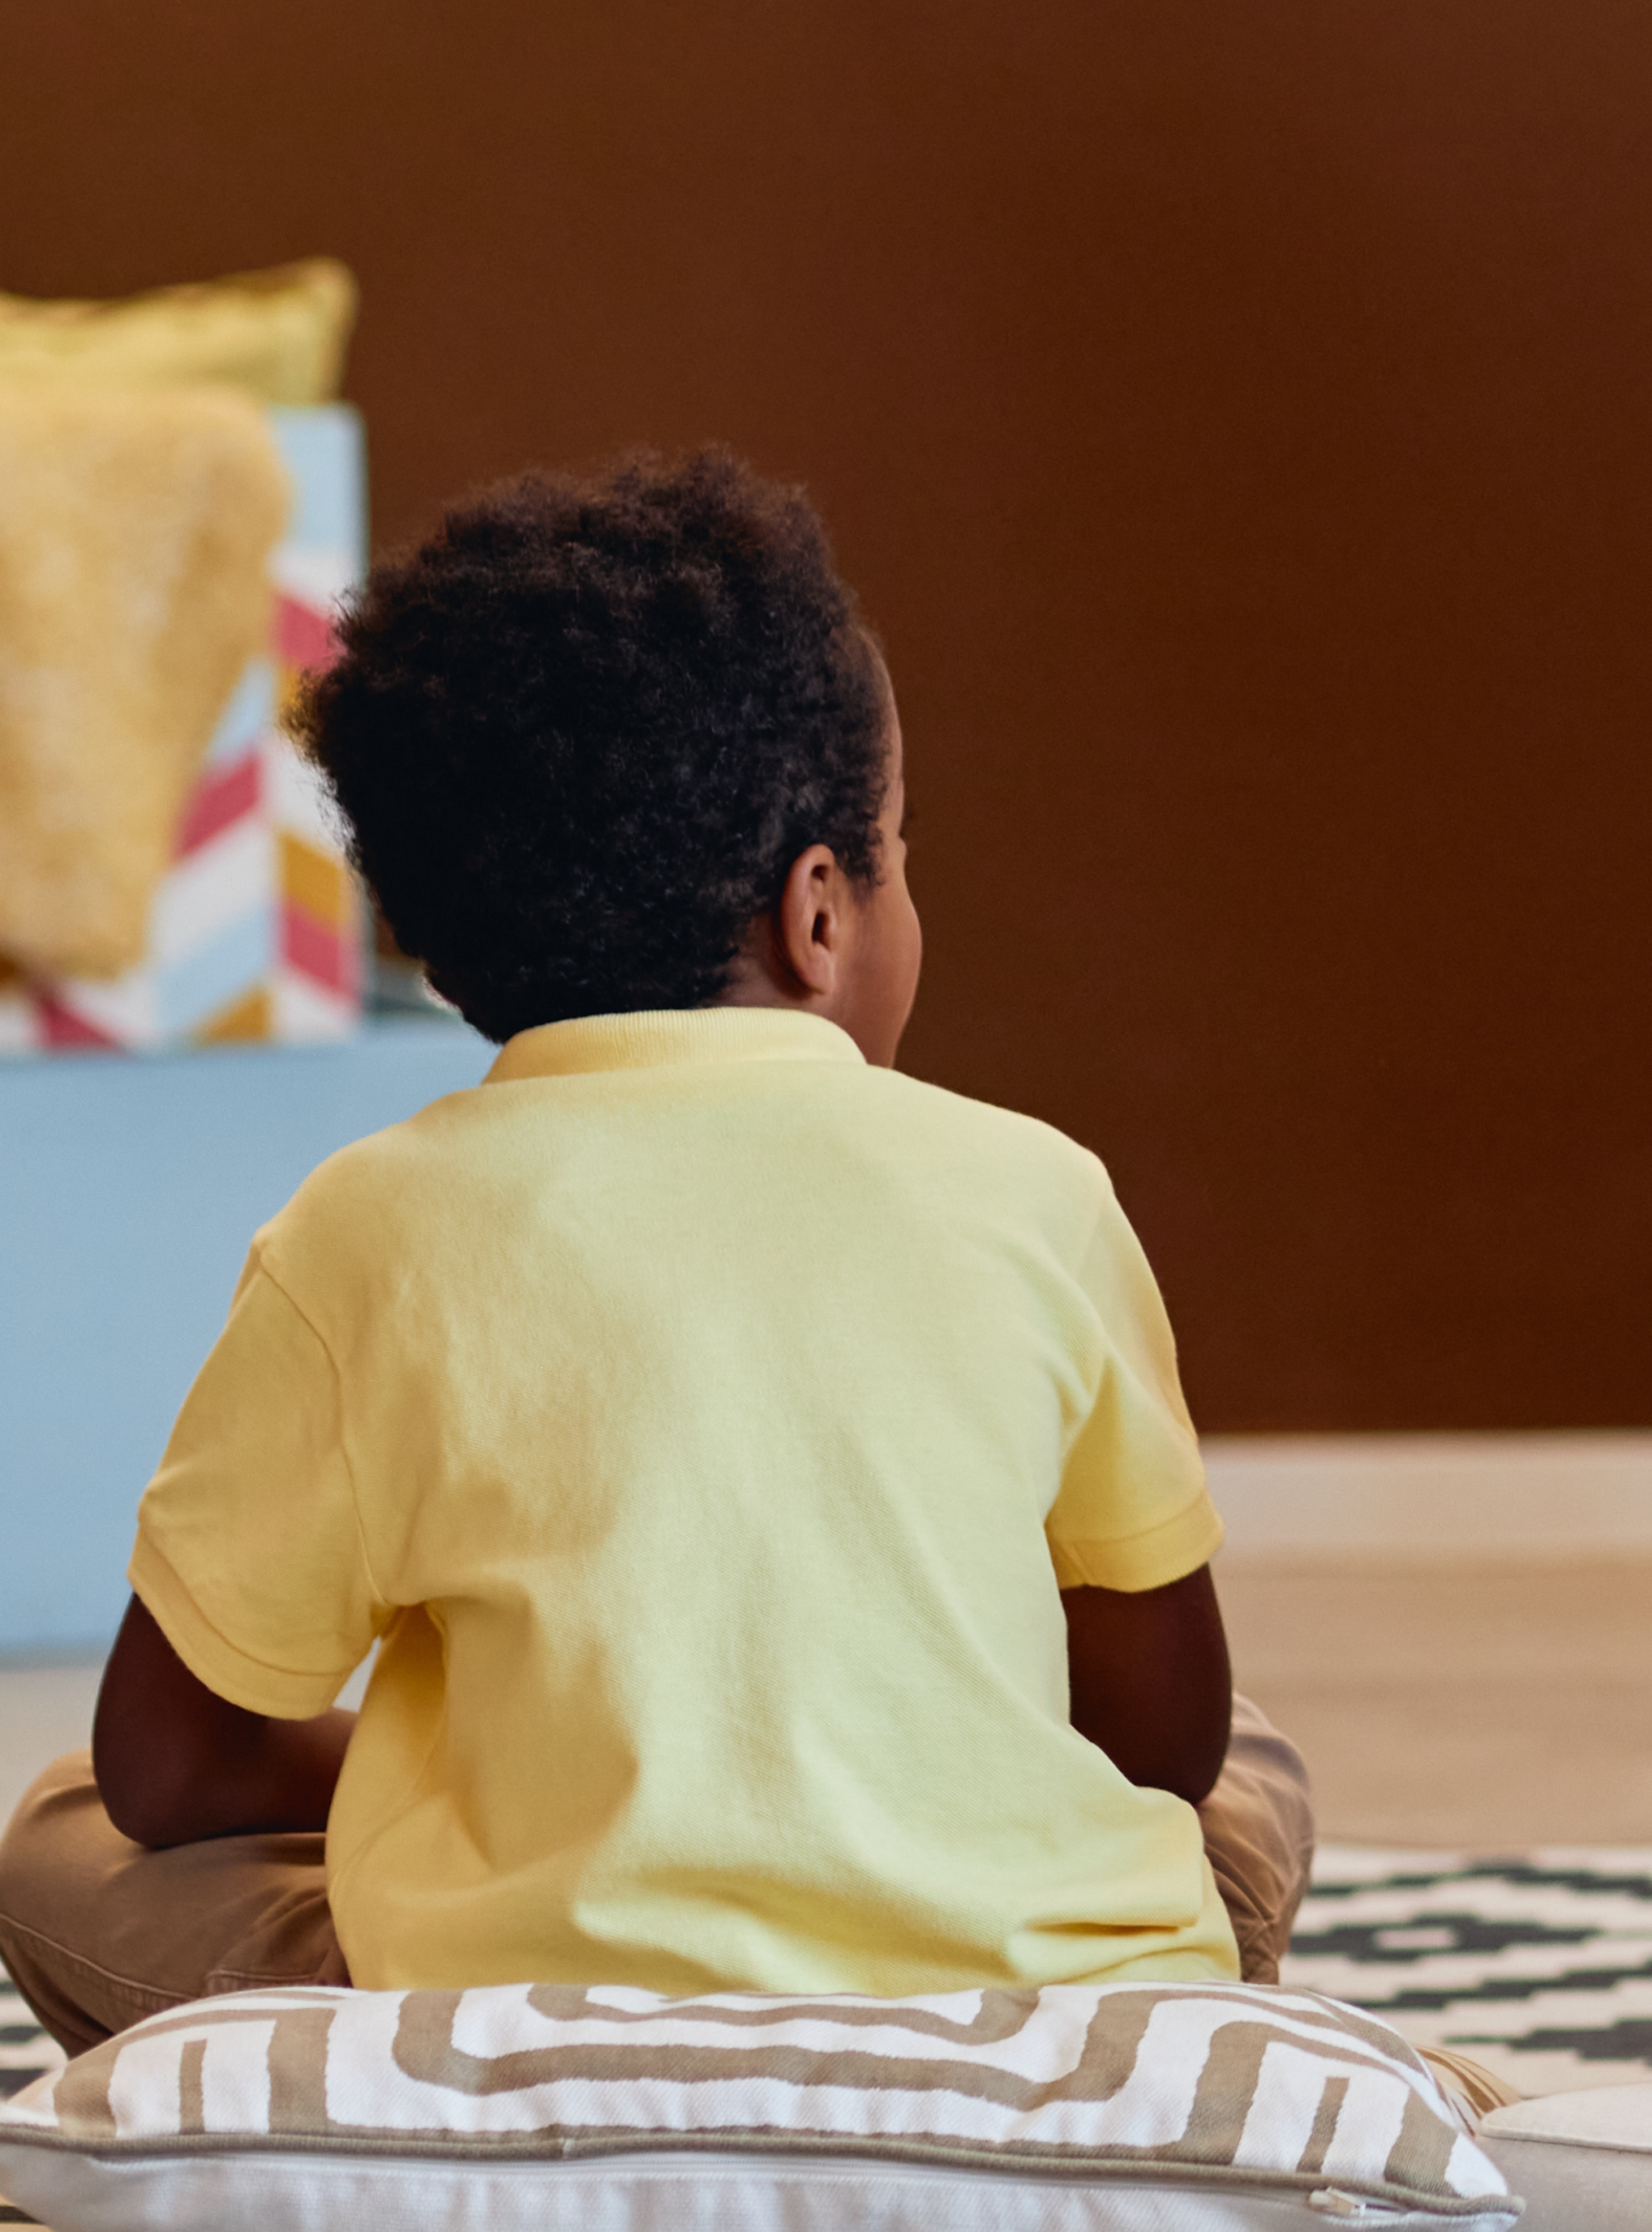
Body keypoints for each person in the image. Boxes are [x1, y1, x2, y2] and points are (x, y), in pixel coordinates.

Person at [0, 453, 1307, 2054]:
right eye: (902, 849)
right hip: (1023, 2006)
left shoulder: (360, 1232)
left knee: (58, 1838)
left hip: (519, 2031)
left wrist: (499, 1773)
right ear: (817, 914)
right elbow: (1162, 1738)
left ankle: (419, 2111)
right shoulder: (1039, 1191)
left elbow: (165, 1770)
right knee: (1255, 1770)